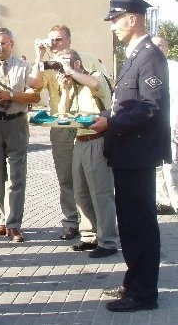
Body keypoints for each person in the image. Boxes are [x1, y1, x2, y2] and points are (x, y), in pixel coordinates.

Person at [91, 0, 171, 312]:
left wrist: (109, 124)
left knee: (139, 223)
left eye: (115, 20)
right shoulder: (135, 54)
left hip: (137, 152)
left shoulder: (149, 55)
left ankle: (144, 293)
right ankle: (134, 281)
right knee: (130, 221)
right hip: (128, 152)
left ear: (132, 18)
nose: (113, 27)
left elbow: (150, 108)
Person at [0, 27, 40, 243]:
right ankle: (1, 220)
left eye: (4, 43)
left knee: (16, 176)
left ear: (11, 44)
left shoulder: (23, 67)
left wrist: (11, 95)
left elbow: (35, 96)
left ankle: (14, 224)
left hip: (16, 123)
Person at [54, 50, 119, 258]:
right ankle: (89, 236)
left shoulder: (95, 76)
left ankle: (108, 241)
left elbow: (95, 85)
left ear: (77, 63)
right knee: (81, 193)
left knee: (100, 194)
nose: (63, 69)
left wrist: (71, 72)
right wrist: (65, 89)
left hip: (97, 140)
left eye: (66, 64)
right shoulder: (73, 85)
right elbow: (63, 114)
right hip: (79, 141)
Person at [33, 25, 80, 240]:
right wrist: (38, 56)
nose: (54, 44)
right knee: (65, 178)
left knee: (87, 177)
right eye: (51, 40)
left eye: (59, 40)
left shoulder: (79, 61)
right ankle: (71, 221)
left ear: (69, 40)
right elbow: (34, 83)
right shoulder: (49, 67)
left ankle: (91, 221)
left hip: (83, 126)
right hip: (60, 129)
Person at [151, 36, 178, 212]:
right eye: (153, 46)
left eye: (160, 45)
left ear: (166, 48)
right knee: (156, 166)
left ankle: (176, 202)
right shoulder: (148, 68)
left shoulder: (174, 68)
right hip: (152, 126)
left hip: (171, 123)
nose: (157, 49)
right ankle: (163, 201)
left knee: (171, 165)